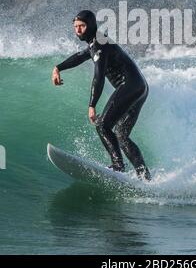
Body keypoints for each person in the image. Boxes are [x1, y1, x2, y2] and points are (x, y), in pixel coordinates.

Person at [51, 10, 151, 181]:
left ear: (91, 25)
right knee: (121, 135)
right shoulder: (96, 42)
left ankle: (118, 166)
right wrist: (58, 67)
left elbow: (98, 77)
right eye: (75, 27)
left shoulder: (99, 44)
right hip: (140, 87)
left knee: (102, 125)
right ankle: (145, 177)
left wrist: (92, 105)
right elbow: (81, 56)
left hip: (130, 86)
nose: (78, 30)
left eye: (81, 26)